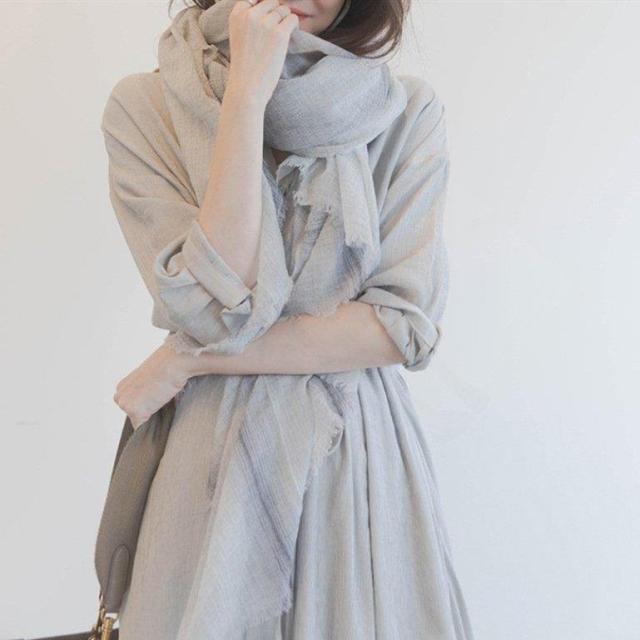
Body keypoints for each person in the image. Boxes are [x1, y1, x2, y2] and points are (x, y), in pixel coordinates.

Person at [100, 0, 476, 638]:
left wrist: (185, 358)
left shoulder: (403, 110)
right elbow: (219, 305)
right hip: (209, 461)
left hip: (351, 454)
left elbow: (397, 328)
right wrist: (246, 98)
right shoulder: (147, 106)